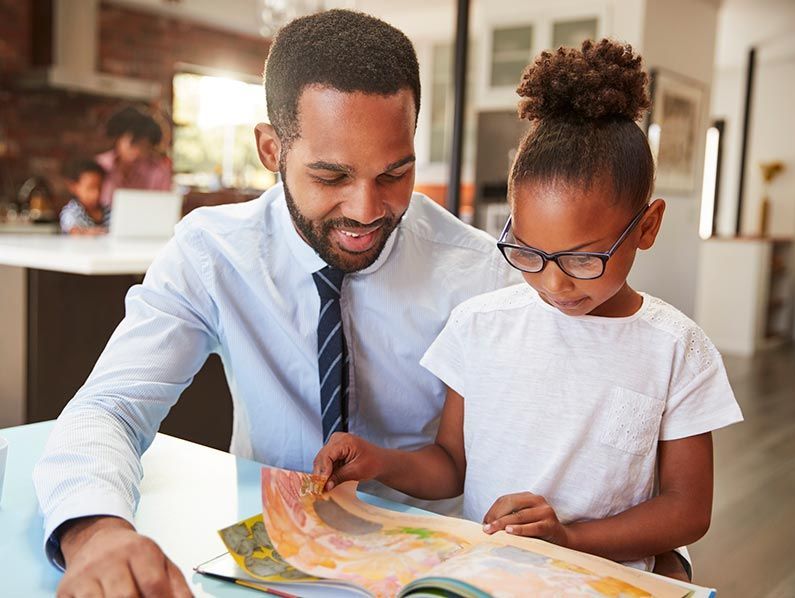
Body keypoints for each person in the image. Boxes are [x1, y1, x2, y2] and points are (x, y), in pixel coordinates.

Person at [33, 10, 518, 598]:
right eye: (330, 175)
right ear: (270, 148)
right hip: (265, 561)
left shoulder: (480, 272)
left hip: (435, 568)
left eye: (395, 172)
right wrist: (97, 532)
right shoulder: (213, 251)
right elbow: (109, 406)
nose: (367, 210)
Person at [313, 39, 743, 576]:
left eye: (584, 259)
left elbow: (688, 509)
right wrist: (378, 459)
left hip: (604, 581)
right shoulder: (479, 325)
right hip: (487, 578)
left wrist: (570, 538)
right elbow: (451, 467)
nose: (555, 282)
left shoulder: (677, 349)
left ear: (648, 227)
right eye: (529, 253)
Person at [95, 105, 172, 207]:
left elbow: (163, 208)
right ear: (118, 138)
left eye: (145, 147)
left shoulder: (158, 172)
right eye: (133, 144)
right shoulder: (100, 167)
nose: (138, 152)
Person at [60, 159, 110, 235]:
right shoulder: (71, 212)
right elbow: (73, 231)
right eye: (90, 188)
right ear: (74, 187)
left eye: (99, 188)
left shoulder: (109, 211)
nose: (96, 193)